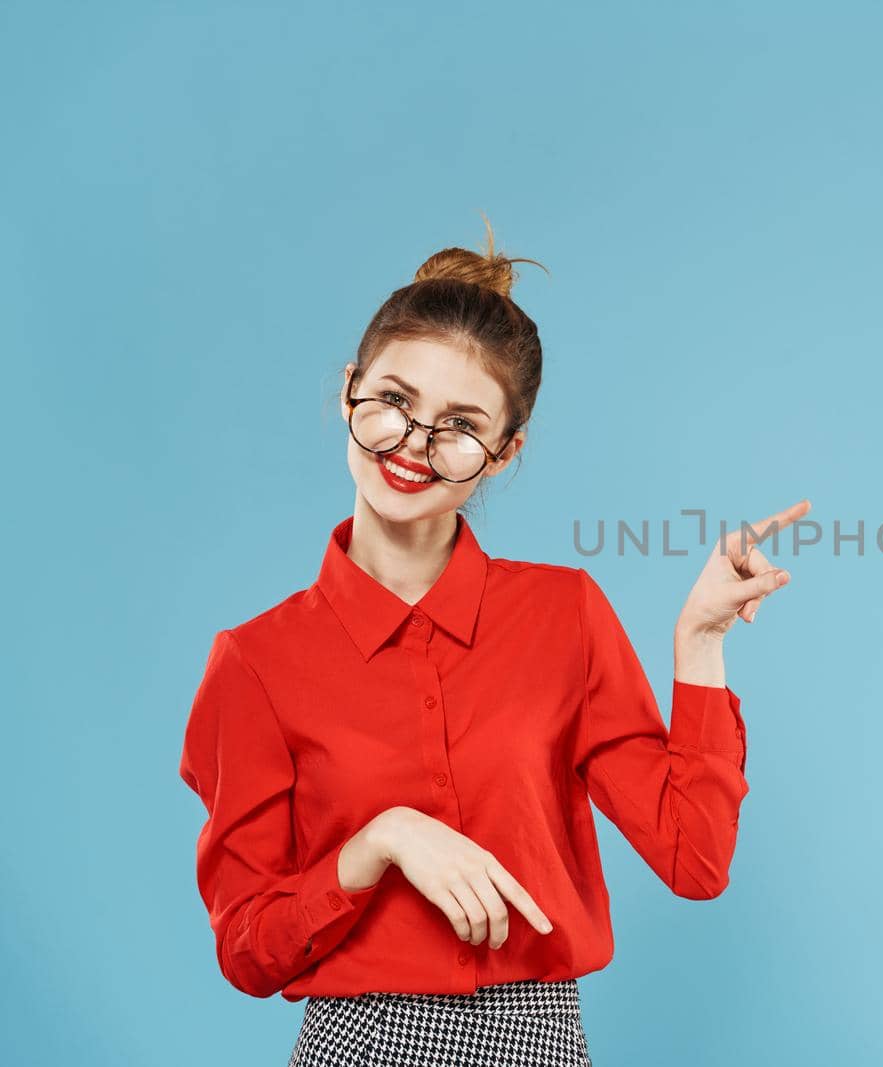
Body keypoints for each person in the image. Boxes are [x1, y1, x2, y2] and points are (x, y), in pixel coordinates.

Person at [176, 219, 810, 1066]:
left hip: (539, 1042)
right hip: (357, 1045)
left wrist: (699, 644)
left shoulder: (564, 615)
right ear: (349, 393)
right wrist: (378, 841)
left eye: (460, 424)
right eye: (393, 401)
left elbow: (694, 860)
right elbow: (248, 948)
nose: (413, 445)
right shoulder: (255, 662)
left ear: (504, 454)